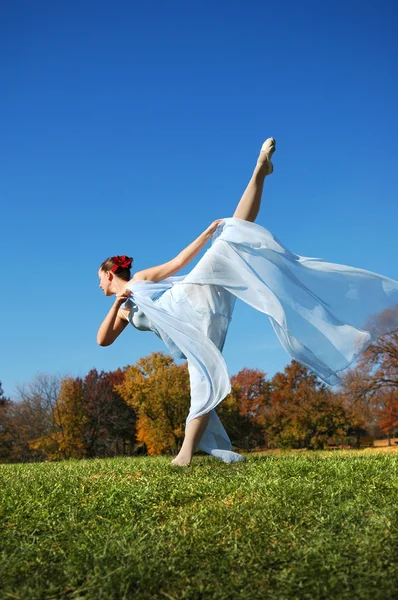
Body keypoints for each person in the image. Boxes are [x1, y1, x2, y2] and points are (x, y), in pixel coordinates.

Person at [97, 137, 398, 466]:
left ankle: (260, 171)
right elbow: (103, 341)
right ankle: (202, 450)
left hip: (195, 296)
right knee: (203, 379)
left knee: (229, 236)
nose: (99, 285)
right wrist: (117, 305)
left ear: (110, 274)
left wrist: (205, 233)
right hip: (196, 326)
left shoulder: (140, 280)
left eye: (100, 279)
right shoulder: (124, 309)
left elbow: (177, 264)